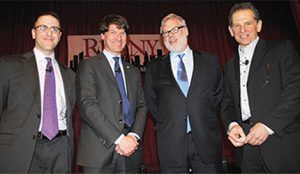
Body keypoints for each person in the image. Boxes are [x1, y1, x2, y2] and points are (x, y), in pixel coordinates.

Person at [221, 2, 300, 173]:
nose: (242, 30)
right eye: (237, 25)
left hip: (281, 144)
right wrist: (232, 125)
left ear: (259, 25)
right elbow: (226, 102)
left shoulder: (282, 50)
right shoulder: (229, 66)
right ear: (230, 30)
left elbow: (295, 91)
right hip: (246, 150)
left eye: (247, 23)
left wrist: (267, 125)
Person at [144, 13, 223, 173]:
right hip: (171, 144)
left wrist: (200, 114)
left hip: (205, 140)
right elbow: (151, 102)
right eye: (165, 33)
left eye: (174, 30)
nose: (169, 36)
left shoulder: (209, 61)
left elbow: (218, 95)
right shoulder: (154, 68)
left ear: (186, 30)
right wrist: (172, 119)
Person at [0, 11, 76, 173]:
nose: (49, 33)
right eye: (43, 27)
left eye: (55, 29)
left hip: (61, 149)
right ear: (33, 33)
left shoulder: (70, 75)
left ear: (60, 35)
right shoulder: (8, 65)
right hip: (20, 149)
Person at [76, 14, 147, 173]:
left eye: (122, 33)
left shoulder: (134, 71)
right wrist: (119, 139)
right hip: (99, 152)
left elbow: (142, 106)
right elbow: (87, 105)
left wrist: (133, 136)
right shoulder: (88, 66)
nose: (119, 37)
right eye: (113, 32)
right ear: (102, 35)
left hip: (131, 151)